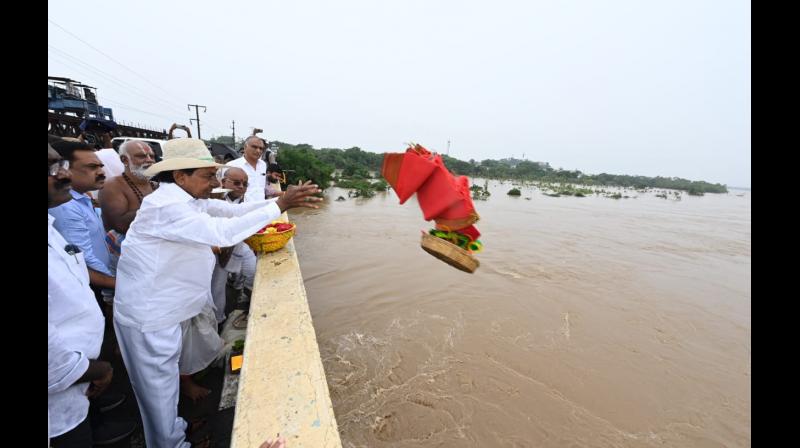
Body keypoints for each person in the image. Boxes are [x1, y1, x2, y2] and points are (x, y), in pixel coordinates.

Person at [112, 138, 322, 448]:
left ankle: (175, 429)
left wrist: (277, 200)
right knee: (157, 392)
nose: (213, 183)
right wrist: (280, 205)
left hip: (170, 308)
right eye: (207, 175)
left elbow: (229, 212)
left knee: (167, 384)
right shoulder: (166, 206)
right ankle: (169, 442)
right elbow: (222, 232)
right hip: (151, 315)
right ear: (180, 176)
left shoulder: (188, 199)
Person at [48, 144, 136, 446]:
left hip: (76, 375)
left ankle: (97, 417)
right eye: (52, 169)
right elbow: (84, 267)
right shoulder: (65, 209)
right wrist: (94, 369)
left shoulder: (69, 207)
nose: (62, 176)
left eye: (60, 165)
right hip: (60, 402)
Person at [226, 136, 268, 202]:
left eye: (261, 148)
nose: (258, 150)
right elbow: (224, 190)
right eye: (254, 147)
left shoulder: (263, 165)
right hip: (241, 208)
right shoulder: (232, 165)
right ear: (245, 147)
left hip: (260, 207)